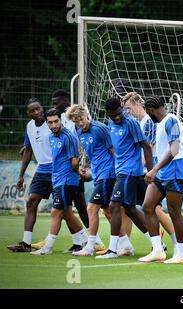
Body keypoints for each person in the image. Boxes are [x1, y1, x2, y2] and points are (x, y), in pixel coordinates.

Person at [7, 99, 86, 253]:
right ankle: (26, 243)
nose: (36, 112)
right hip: (43, 169)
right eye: (32, 110)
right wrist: (21, 174)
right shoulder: (32, 128)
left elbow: (72, 152)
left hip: (62, 173)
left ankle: (75, 243)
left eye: (38, 109)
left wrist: (78, 171)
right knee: (33, 202)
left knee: (63, 210)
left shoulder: (61, 130)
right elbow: (29, 149)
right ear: (28, 113)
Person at [96, 97, 155, 259]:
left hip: (129, 171)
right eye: (113, 115)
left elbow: (146, 147)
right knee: (129, 209)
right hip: (120, 171)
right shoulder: (110, 122)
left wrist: (150, 172)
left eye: (118, 113)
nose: (117, 117)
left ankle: (113, 250)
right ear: (108, 113)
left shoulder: (131, 123)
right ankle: (157, 243)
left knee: (114, 206)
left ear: (122, 108)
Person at [122, 92, 177, 250]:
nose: (128, 112)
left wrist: (149, 169)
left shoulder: (150, 123)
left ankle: (175, 243)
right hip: (141, 172)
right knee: (127, 205)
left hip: (149, 172)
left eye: (129, 108)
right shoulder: (138, 123)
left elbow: (150, 148)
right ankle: (125, 245)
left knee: (155, 208)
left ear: (138, 104)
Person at [139, 95, 183, 264]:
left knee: (174, 212)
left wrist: (154, 169)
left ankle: (181, 253)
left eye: (148, 112)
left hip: (175, 169)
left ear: (151, 110)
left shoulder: (171, 120)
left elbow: (175, 149)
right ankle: (158, 250)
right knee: (147, 206)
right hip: (163, 172)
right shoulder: (160, 123)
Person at [30, 108, 86, 255]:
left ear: (60, 120)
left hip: (67, 179)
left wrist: (78, 171)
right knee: (66, 213)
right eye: (50, 123)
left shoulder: (68, 136)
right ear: (47, 123)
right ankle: (88, 241)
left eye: (56, 121)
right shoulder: (51, 137)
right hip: (58, 179)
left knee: (56, 212)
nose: (54, 125)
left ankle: (47, 248)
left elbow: (74, 162)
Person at [65, 105, 116, 256]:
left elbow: (113, 150)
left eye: (81, 119)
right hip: (98, 173)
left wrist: (119, 171)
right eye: (76, 121)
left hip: (109, 173)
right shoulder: (79, 132)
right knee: (107, 211)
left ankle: (90, 246)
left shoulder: (100, 128)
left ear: (86, 115)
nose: (80, 123)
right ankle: (124, 243)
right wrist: (85, 168)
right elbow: (91, 152)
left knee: (91, 208)